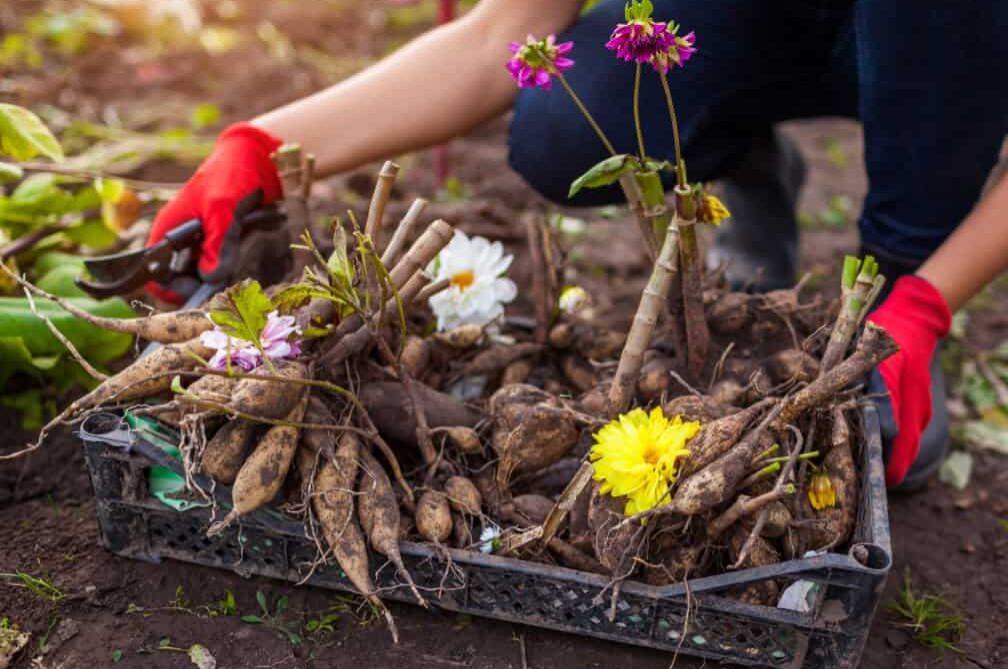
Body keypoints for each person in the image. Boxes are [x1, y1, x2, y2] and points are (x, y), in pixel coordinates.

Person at [146, 0, 1008, 490]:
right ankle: (740, 157)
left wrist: (931, 299)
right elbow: (498, 42)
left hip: (953, 46)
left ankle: (903, 275)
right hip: (763, 24)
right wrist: (261, 145)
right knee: (563, 120)